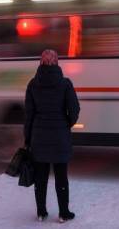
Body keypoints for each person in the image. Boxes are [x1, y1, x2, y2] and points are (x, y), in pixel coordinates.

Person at [24, 49, 80, 223]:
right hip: (60, 136)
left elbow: (29, 115)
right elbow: (75, 110)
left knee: (41, 177)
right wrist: (66, 124)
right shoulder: (65, 84)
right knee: (61, 176)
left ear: (41, 62)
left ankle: (41, 212)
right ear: (57, 62)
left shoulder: (33, 84)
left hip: (39, 136)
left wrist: (28, 137)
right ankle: (63, 213)